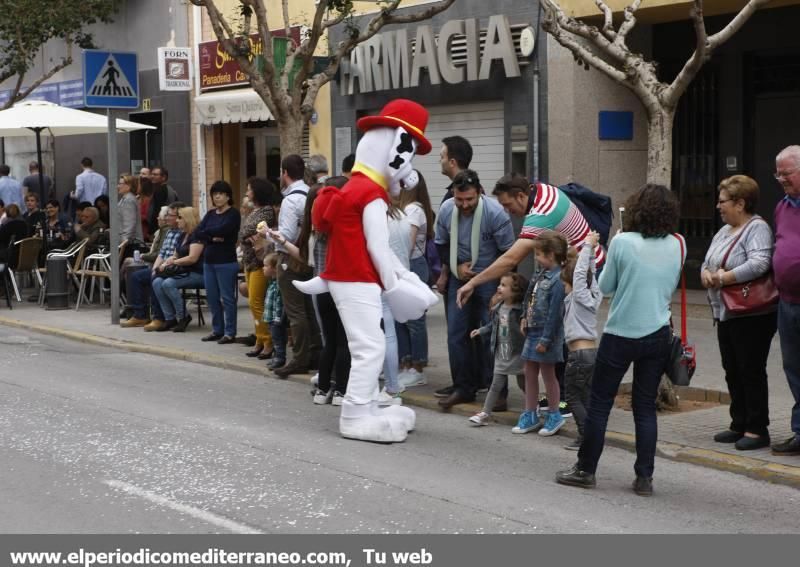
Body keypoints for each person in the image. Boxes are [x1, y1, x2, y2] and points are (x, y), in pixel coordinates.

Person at [293, 98, 437, 443]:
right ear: (397, 149)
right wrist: (395, 283)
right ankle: (356, 414)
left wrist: (399, 276)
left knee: (366, 343)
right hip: (354, 278)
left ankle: (368, 406)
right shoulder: (369, 194)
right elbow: (377, 245)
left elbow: (376, 246)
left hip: (350, 277)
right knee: (369, 347)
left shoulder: (358, 188)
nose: (409, 169)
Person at [556, 184, 683, 496]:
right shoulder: (679, 243)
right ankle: (644, 478)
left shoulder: (623, 242)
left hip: (621, 334)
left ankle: (585, 469)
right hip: (657, 333)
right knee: (644, 407)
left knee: (599, 404)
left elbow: (606, 286)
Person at [700, 175, 777, 450]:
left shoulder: (757, 229)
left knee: (750, 369)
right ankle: (739, 422)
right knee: (732, 368)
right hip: (726, 312)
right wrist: (706, 274)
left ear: (740, 203)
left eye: (723, 202)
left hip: (752, 313)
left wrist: (723, 278)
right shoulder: (724, 230)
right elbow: (708, 260)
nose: (718, 207)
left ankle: (757, 429)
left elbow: (759, 264)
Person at [434, 169, 516, 409]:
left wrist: (501, 288)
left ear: (479, 193)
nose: (465, 204)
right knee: (456, 335)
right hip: (460, 278)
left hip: (489, 279)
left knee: (491, 335)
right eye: (460, 199)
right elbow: (440, 243)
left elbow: (509, 253)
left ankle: (497, 391)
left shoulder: (495, 213)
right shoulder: (448, 209)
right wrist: (454, 267)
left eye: (469, 199)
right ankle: (463, 387)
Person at [266, 178, 351, 402]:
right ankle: (341, 390)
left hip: (320, 289)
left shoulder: (315, 233)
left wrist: (282, 240)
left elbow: (306, 259)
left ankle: (323, 390)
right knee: (343, 342)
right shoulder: (341, 230)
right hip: (340, 288)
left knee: (329, 341)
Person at [514, 231, 568, 436]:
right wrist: (523, 317)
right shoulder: (540, 273)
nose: (536, 258)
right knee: (529, 371)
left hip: (548, 334)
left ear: (551, 254)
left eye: (538, 254)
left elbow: (555, 313)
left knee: (548, 373)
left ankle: (554, 414)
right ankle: (530, 413)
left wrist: (546, 339)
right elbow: (529, 295)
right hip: (533, 330)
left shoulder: (558, 280)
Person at [273, 154, 321, 376]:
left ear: (284, 173)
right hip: (310, 258)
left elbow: (288, 234)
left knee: (295, 311)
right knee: (309, 309)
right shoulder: (310, 194)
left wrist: (269, 234)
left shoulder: (291, 200)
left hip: (291, 259)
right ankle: (315, 354)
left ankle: (300, 358)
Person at [467, 272, 527, 426]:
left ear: (515, 291)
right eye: (500, 284)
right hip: (503, 351)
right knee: (495, 385)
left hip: (519, 353)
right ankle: (485, 412)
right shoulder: (498, 308)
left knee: (525, 384)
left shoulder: (520, 311)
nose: (499, 287)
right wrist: (480, 330)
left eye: (504, 285)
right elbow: (493, 325)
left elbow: (527, 330)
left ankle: (540, 404)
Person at [561, 231, 603, 450]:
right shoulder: (594, 297)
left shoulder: (579, 297)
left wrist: (587, 246)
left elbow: (580, 276)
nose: (565, 289)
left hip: (578, 355)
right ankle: (592, 434)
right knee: (585, 396)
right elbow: (590, 276)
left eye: (565, 284)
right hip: (592, 354)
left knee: (572, 396)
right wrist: (593, 255)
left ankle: (584, 436)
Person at [771, 146, 800, 456]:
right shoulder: (782, 207)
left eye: (786, 173)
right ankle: (799, 431)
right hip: (788, 301)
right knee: (793, 368)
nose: (780, 179)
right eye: (777, 173)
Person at [395, 170, 435, 388]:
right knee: (400, 319)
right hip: (406, 266)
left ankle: (417, 367)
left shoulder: (414, 209)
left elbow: (407, 244)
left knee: (414, 321)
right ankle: (406, 363)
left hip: (413, 266)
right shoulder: (408, 209)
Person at [121, 203, 183, 328]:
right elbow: (161, 253)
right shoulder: (170, 232)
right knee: (136, 276)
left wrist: (159, 269)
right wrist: (155, 268)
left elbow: (177, 255)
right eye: (167, 215)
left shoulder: (183, 233)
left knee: (155, 279)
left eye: (170, 215)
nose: (166, 218)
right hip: (163, 266)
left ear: (180, 217)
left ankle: (159, 318)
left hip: (175, 267)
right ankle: (140, 315)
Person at [239, 177, 280, 357]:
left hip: (259, 262)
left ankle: (268, 340)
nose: (247, 191)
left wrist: (246, 237)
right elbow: (243, 234)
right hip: (248, 260)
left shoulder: (266, 211)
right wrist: (246, 237)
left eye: (249, 189)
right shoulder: (254, 211)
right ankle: (259, 339)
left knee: (256, 302)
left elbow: (248, 232)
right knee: (253, 303)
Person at [197, 181, 241, 344]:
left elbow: (224, 230)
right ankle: (217, 329)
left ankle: (230, 332)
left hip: (226, 261)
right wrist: (212, 237)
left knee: (227, 298)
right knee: (212, 297)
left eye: (221, 194)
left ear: (228, 196)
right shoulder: (210, 214)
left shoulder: (233, 214)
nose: (217, 196)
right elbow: (198, 232)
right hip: (209, 261)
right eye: (214, 194)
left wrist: (210, 235)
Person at [152, 206, 205, 333]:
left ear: (188, 219)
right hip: (183, 271)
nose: (177, 220)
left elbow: (192, 258)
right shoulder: (182, 236)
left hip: (197, 273)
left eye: (180, 217)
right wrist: (165, 263)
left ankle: (183, 316)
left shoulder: (197, 235)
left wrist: (174, 261)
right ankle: (170, 318)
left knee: (168, 283)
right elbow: (175, 254)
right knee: (157, 282)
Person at [261, 253, 287, 370]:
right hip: (270, 318)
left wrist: (277, 318)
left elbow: (279, 304)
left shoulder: (278, 286)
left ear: (274, 269)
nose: (263, 268)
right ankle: (277, 356)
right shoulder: (271, 283)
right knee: (275, 338)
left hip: (275, 319)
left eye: (266, 266)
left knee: (278, 339)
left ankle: (280, 358)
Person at [439, 135, 473, 205]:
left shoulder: (462, 194)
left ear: (452, 162)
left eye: (442, 157)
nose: (440, 161)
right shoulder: (473, 189)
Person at [117, 174, 143, 244]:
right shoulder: (126, 199)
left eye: (120, 184)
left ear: (129, 186)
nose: (118, 186)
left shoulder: (129, 200)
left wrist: (123, 242)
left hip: (129, 243)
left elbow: (129, 224)